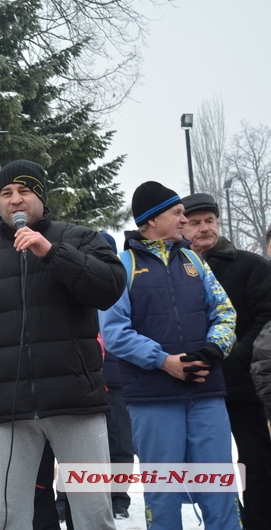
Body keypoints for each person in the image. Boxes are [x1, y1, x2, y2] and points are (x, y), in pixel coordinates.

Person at [0, 159, 124, 529]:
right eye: (6, 194)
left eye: (24, 190)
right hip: (11, 411)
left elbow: (108, 288)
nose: (15, 199)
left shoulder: (79, 238)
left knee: (94, 515)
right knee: (10, 516)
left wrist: (51, 252)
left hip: (76, 404)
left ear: (41, 196)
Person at [99, 182, 241, 529]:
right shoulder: (124, 266)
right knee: (164, 493)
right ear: (152, 219)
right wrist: (164, 361)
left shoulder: (193, 260)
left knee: (219, 488)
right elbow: (114, 332)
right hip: (153, 399)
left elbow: (225, 312)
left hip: (206, 392)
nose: (184, 220)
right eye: (177, 213)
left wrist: (212, 350)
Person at [180, 192, 271, 529]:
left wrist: (230, 360)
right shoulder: (171, 272)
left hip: (245, 389)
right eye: (195, 222)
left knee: (258, 463)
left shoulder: (251, 267)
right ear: (181, 225)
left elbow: (266, 321)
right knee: (205, 469)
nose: (205, 228)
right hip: (194, 389)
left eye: (210, 221)